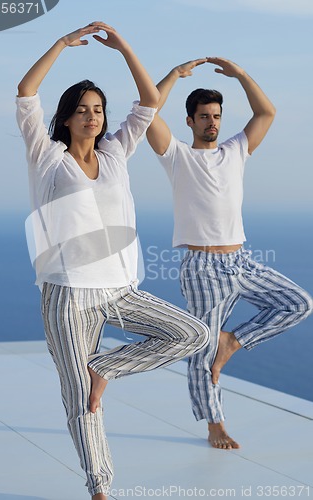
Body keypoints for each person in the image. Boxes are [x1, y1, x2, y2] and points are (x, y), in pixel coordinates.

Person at [16, 23, 210, 499]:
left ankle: (107, 367)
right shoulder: (47, 157)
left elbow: (148, 100)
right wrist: (62, 44)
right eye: (82, 110)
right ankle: (100, 488)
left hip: (120, 289)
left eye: (98, 109)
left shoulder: (118, 152)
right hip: (68, 294)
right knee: (81, 400)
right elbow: (26, 91)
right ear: (65, 118)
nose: (92, 117)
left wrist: (124, 47)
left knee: (193, 333)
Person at [146, 57, 313, 450]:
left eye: (216, 115)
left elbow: (266, 111)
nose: (212, 122)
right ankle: (214, 424)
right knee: (201, 349)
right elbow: (147, 111)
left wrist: (240, 76)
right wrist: (173, 75)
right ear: (190, 121)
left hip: (240, 260)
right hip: (202, 266)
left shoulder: (236, 149)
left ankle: (233, 342)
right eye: (204, 116)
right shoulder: (176, 156)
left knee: (299, 303)